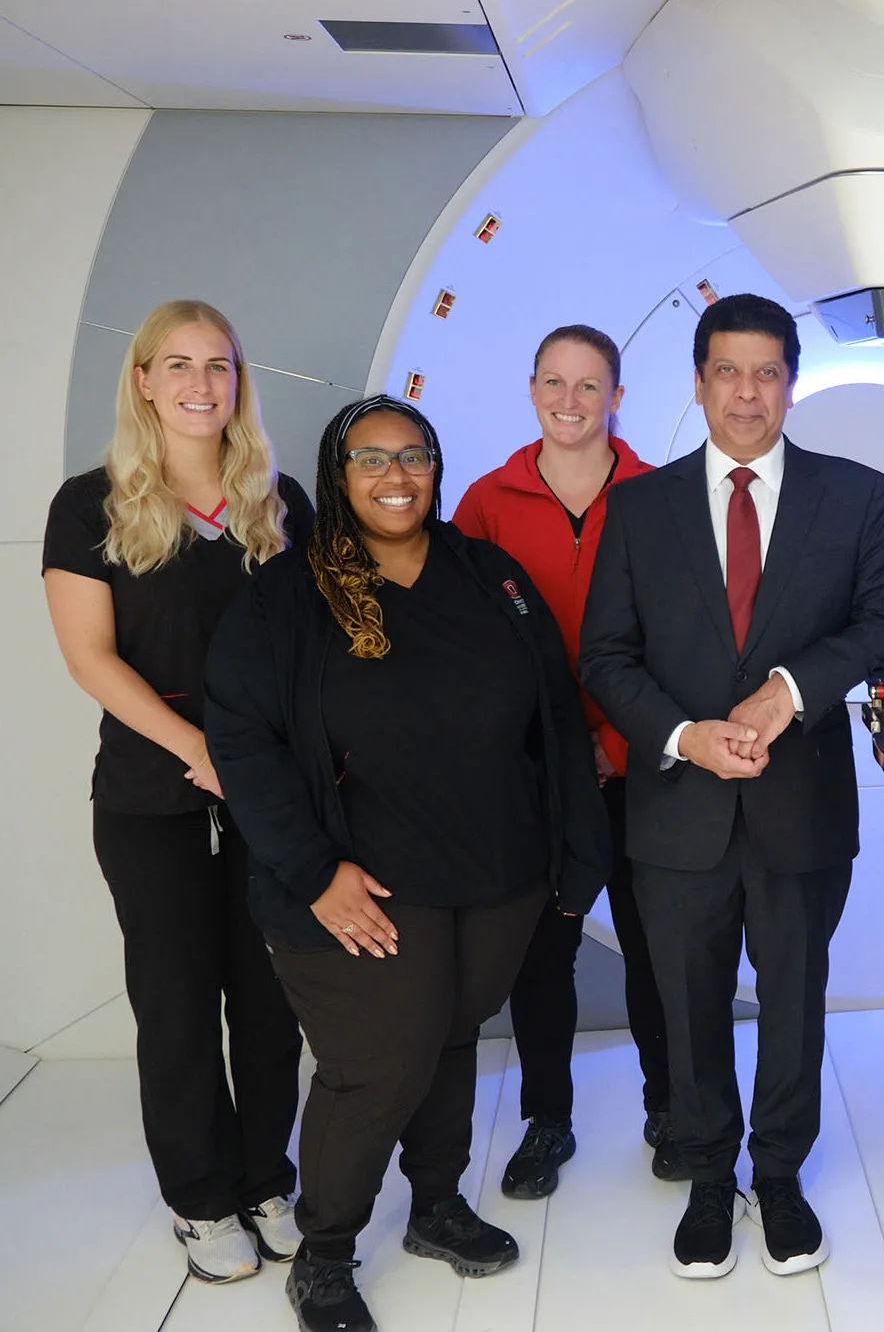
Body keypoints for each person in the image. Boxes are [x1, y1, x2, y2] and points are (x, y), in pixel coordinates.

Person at [204, 396, 611, 1332]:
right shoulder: (285, 596)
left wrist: (572, 854)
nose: (396, 477)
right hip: (359, 886)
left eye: (414, 457)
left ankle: (434, 1206)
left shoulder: (488, 575)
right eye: (371, 459)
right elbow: (244, 744)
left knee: (453, 1035)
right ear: (339, 476)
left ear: (436, 466)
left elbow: (554, 717)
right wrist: (314, 872)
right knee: (378, 1061)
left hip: (495, 874)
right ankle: (327, 1250)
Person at [580, 293, 884, 1280]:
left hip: (798, 806)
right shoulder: (638, 506)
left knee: (794, 999)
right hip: (677, 806)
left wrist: (789, 689)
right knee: (686, 1004)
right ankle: (707, 1176)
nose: (745, 391)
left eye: (766, 371)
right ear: (696, 382)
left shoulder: (850, 494)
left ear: (790, 381)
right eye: (726, 371)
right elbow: (606, 656)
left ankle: (778, 1173)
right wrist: (685, 734)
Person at [42, 300, 311, 1286]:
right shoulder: (90, 505)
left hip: (269, 798)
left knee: (273, 999)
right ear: (145, 380)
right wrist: (201, 748)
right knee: (179, 1001)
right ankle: (201, 1198)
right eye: (181, 365)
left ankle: (265, 1177)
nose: (203, 385)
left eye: (222, 366)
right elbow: (90, 658)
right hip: (153, 798)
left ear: (240, 382)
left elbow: (310, 654)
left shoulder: (277, 502)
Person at [453, 324, 672, 1196]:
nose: (570, 401)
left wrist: (617, 744)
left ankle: (670, 1109)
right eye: (555, 382)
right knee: (542, 955)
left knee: (657, 945)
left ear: (617, 395)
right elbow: (464, 644)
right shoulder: (485, 500)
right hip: (535, 774)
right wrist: (547, 746)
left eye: (590, 386)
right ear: (532, 387)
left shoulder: (661, 494)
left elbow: (681, 645)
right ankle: (548, 1119)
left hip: (643, 764)